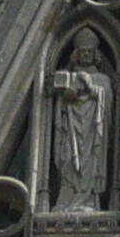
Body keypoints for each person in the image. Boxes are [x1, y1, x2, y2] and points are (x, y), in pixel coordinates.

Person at [48, 31, 111, 210]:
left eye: (88, 52)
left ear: (95, 55)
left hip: (92, 132)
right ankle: (67, 199)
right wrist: (67, 94)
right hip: (70, 128)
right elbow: (60, 103)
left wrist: (90, 88)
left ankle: (88, 199)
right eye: (82, 51)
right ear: (76, 54)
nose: (85, 54)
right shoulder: (68, 77)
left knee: (91, 162)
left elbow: (106, 100)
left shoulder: (102, 80)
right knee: (67, 158)